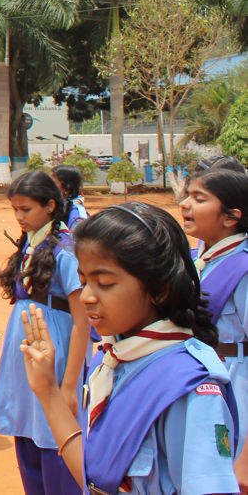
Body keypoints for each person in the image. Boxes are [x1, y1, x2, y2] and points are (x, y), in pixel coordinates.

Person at [21, 203, 240, 494]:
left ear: (160, 289)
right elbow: (95, 480)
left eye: (105, 283)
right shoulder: (112, 359)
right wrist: (47, 391)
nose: (86, 296)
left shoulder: (189, 388)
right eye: (84, 281)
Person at [0, 170, 88, 495]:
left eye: (26, 209)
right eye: (15, 210)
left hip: (55, 345)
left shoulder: (67, 249)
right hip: (26, 344)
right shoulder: (33, 241)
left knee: (54, 434)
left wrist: (69, 385)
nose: (19, 217)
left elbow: (83, 321)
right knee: (27, 428)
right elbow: (27, 292)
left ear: (50, 205)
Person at [179, 168, 248, 484]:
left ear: (231, 217)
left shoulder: (242, 266)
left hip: (235, 385)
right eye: (187, 195)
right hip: (197, 382)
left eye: (199, 198)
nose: (185, 204)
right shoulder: (194, 259)